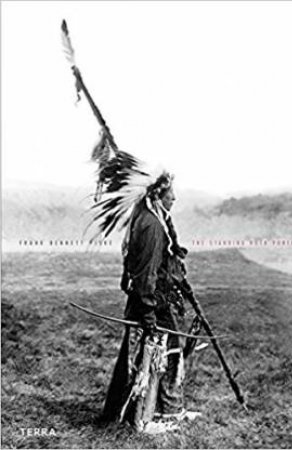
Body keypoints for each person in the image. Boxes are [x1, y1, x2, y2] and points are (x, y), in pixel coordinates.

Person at [100, 173, 201, 433]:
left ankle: (168, 410)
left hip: (157, 298)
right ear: (157, 196)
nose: (175, 198)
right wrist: (148, 314)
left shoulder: (155, 219)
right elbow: (146, 274)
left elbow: (157, 266)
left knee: (169, 350)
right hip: (151, 301)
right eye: (170, 196)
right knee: (149, 355)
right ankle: (143, 415)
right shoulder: (152, 226)